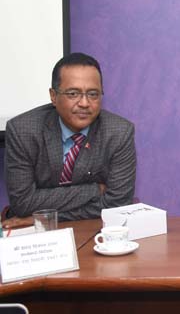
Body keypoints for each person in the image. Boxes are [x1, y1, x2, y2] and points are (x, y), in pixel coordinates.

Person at [3, 53, 136, 228]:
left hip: (91, 229)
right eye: (73, 93)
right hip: (34, 234)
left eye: (93, 94)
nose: (84, 103)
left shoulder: (119, 132)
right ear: (53, 96)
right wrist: (94, 190)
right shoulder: (23, 130)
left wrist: (48, 217)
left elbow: (117, 204)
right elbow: (23, 203)